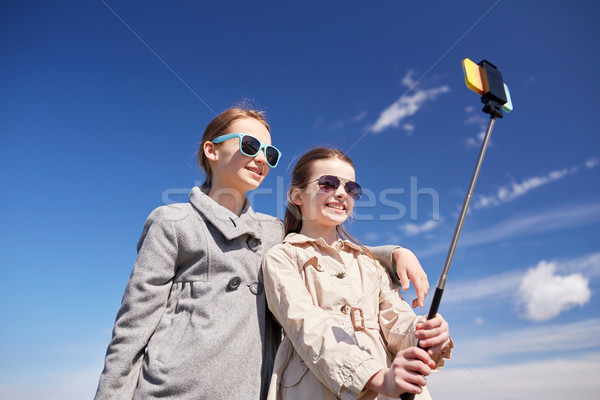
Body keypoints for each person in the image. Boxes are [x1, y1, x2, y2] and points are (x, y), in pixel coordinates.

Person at [94, 107, 430, 400]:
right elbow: (132, 329)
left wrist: (394, 253)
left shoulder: (273, 231)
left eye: (270, 154)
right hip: (174, 389)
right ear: (211, 150)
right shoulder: (171, 221)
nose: (261, 159)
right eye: (250, 145)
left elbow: (327, 246)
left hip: (252, 390)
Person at [262, 148, 453, 400]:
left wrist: (425, 332)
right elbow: (306, 326)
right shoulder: (281, 258)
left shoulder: (370, 263)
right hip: (315, 389)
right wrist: (376, 377)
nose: (342, 193)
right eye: (328, 183)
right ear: (297, 195)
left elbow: (396, 320)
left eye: (351, 188)